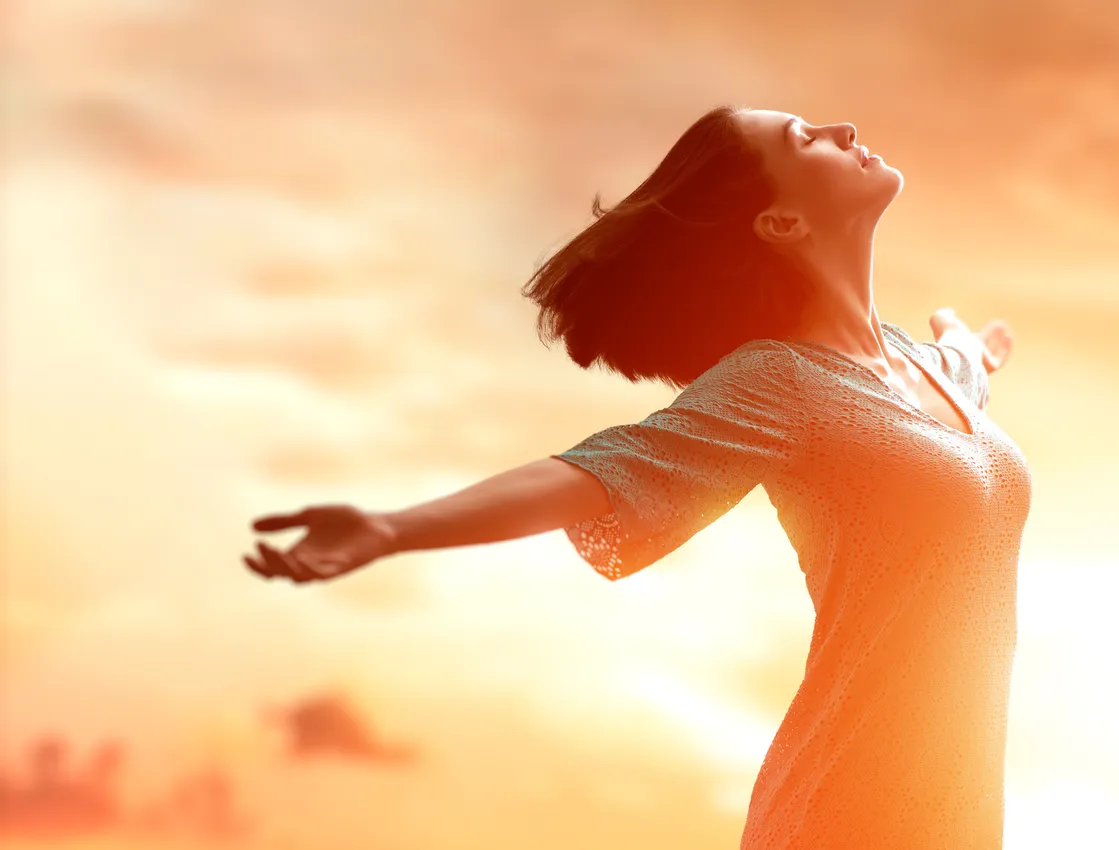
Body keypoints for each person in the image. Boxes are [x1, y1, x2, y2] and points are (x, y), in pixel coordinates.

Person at [241, 104, 1031, 849]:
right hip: (851, 810)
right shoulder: (780, 383)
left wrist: (974, 347)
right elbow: (592, 474)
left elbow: (961, 372)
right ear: (782, 223)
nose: (841, 126)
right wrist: (392, 529)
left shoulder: (930, 373)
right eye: (803, 139)